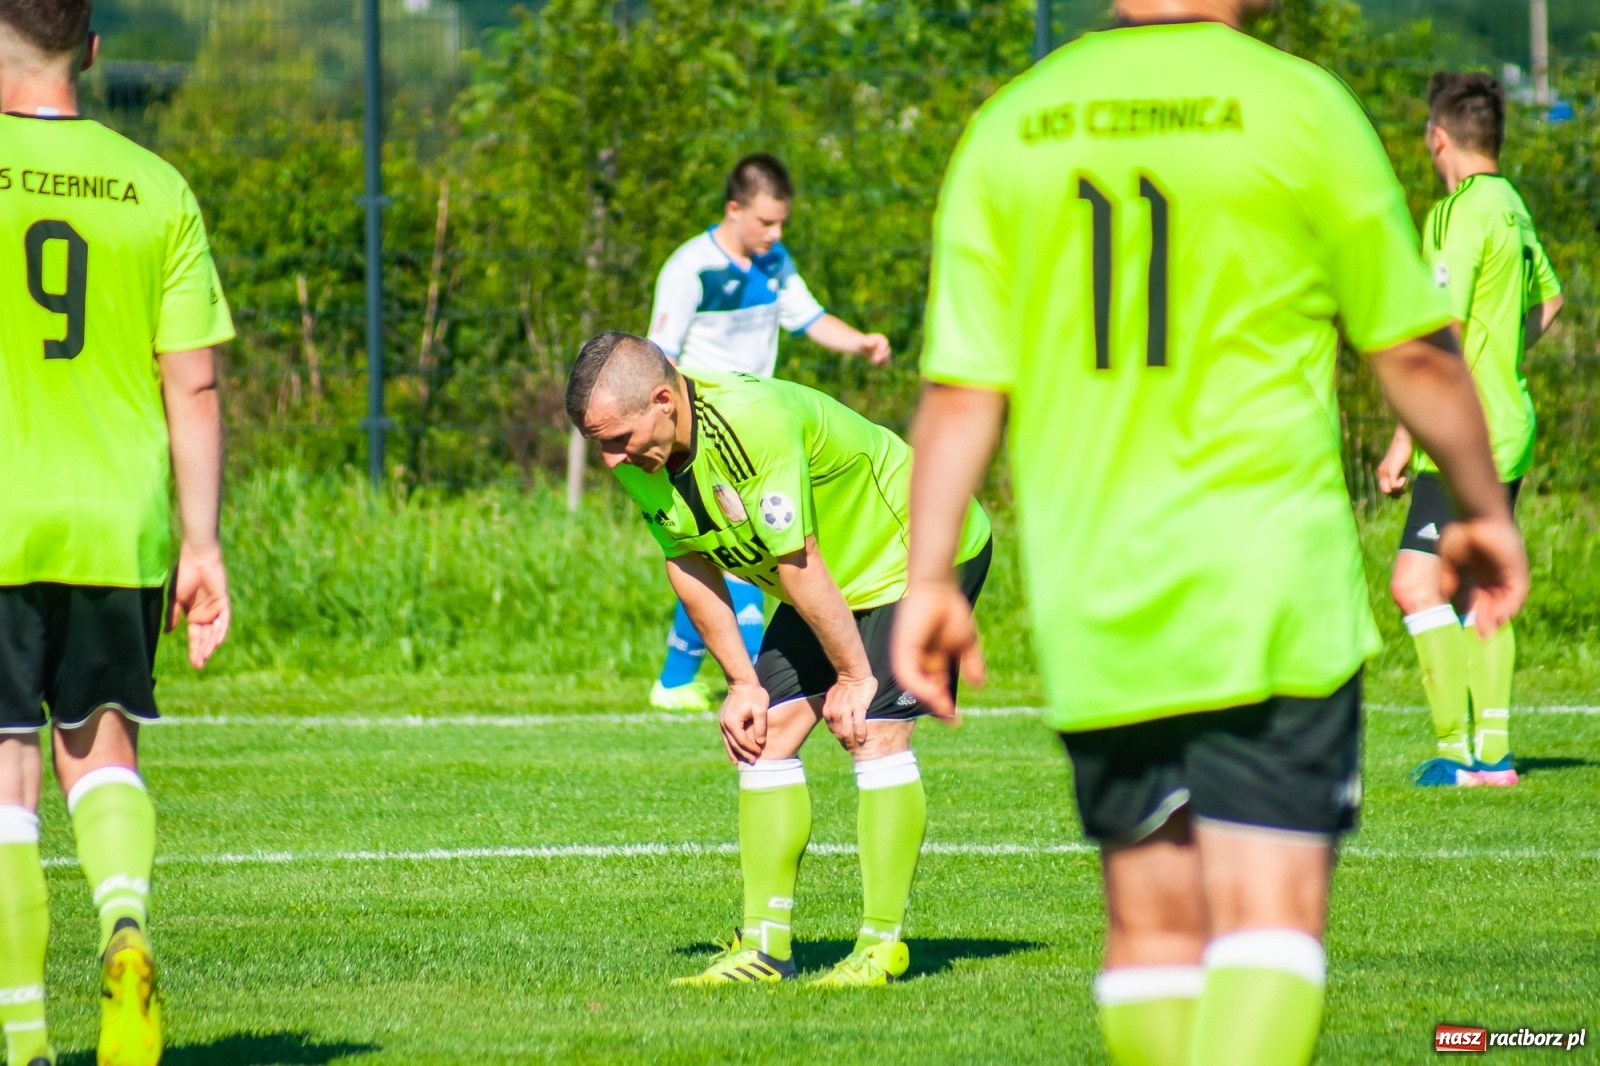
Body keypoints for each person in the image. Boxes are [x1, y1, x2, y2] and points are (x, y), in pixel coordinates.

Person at [891, 3, 1528, 1064]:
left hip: (1099, 597)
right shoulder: (1297, 107)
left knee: (1149, 926)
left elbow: (961, 388)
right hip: (1268, 581)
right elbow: (1415, 352)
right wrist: (1476, 500)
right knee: (1268, 917)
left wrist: (928, 580)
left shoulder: (1014, 123)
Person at [566, 332, 990, 987]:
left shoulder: (749, 425)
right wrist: (741, 684)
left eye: (618, 438)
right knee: (763, 736)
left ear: (662, 400)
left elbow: (799, 562)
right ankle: (766, 951)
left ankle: (882, 945)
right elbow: (687, 561)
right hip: (831, 581)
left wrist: (855, 675)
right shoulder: (640, 456)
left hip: (919, 554)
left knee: (875, 730)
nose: (612, 458)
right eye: (600, 442)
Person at [0, 3, 235, 1064]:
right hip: (119, 515)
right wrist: (203, 543)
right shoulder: (155, 186)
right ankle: (124, 927)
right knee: (101, 751)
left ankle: (25, 1038)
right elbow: (193, 381)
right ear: (89, 52)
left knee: (6, 777)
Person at [642, 153, 892, 713]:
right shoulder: (690, 269)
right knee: (747, 558)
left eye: (781, 223)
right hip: (708, 441)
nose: (775, 234)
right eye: (766, 222)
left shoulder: (773, 261)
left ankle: (678, 681)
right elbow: (657, 360)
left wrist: (861, 342)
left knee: (735, 558)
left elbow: (809, 317)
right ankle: (769, 694)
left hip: (757, 435)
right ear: (734, 210)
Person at [1376, 72, 1563, 789]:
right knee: (1474, 586)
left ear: (1438, 137)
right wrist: (1502, 361)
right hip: (1508, 420)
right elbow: (1550, 301)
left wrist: (1403, 436)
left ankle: (1458, 754)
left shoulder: (1455, 212)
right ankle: (1495, 753)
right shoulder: (1513, 205)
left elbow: (1442, 330)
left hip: (1461, 431)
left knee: (1413, 585)